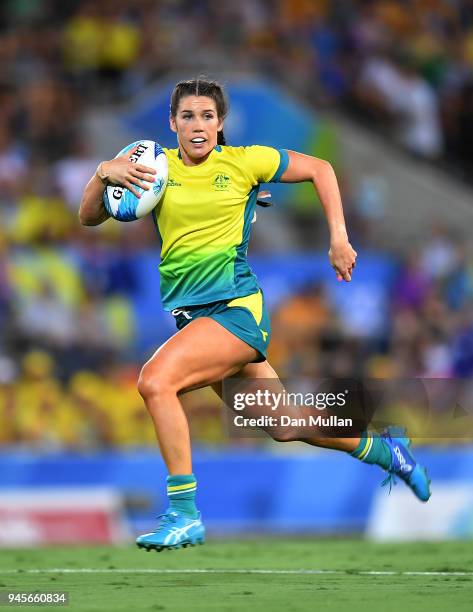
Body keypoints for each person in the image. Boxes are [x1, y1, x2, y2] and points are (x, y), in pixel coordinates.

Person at [79, 78, 430, 552]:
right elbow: (88, 218)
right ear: (172, 123)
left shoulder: (246, 162)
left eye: (207, 116)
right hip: (195, 319)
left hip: (235, 312)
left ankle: (183, 514)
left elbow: (322, 169)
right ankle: (388, 452)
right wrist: (103, 172)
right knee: (287, 426)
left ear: (221, 122)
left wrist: (339, 238)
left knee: (155, 381)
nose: (198, 125)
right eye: (187, 116)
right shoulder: (153, 169)